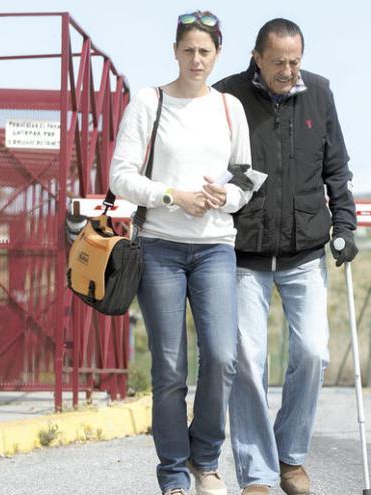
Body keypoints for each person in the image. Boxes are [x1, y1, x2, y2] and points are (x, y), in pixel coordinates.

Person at [110, 10, 262, 495]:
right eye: (189, 49)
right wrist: (174, 195)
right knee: (170, 367)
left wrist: (227, 198)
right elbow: (121, 176)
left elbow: (244, 178)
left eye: (206, 51)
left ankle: (206, 459)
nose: (196, 59)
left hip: (216, 246)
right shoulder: (147, 102)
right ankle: (174, 473)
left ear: (218, 54)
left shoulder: (228, 108)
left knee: (221, 356)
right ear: (174, 51)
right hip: (159, 248)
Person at [214, 17, 359, 495]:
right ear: (257, 57)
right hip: (243, 253)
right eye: (278, 62)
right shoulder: (226, 97)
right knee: (247, 359)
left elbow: (336, 167)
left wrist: (346, 225)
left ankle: (290, 458)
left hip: (304, 251)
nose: (288, 71)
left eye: (295, 61)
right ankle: (257, 473)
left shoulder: (319, 92)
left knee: (314, 352)